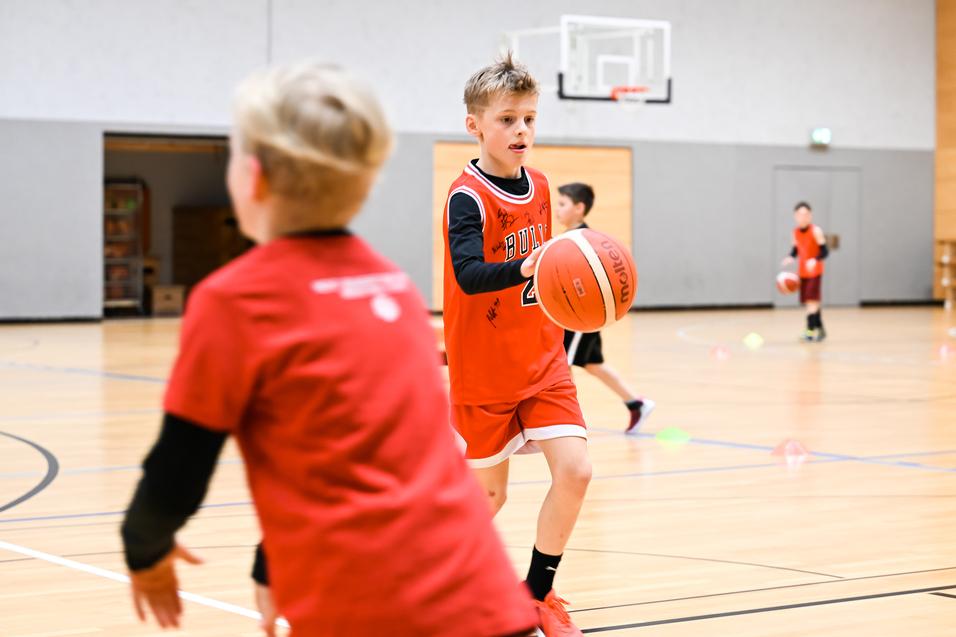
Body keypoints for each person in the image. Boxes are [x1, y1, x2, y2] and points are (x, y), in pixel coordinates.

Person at [120, 61, 539, 637]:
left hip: (368, 606)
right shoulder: (390, 287)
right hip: (484, 594)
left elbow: (179, 469)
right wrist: (271, 563)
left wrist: (143, 549)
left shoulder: (233, 300)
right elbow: (371, 454)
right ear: (364, 185)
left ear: (253, 178)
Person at [442, 53, 591, 637]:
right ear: (475, 125)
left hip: (543, 360)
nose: (521, 131)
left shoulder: (543, 185)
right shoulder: (467, 197)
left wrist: (576, 289)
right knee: (489, 497)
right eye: (507, 120)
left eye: (529, 118)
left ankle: (538, 594)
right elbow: (468, 273)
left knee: (576, 471)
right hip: (484, 370)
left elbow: (547, 277)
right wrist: (528, 265)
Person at [553, 182, 655, 433]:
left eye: (563, 204)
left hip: (580, 315)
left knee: (562, 364)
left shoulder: (585, 241)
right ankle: (636, 403)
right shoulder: (566, 239)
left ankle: (565, 423)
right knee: (592, 364)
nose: (557, 209)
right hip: (582, 314)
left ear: (580, 208)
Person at [781, 201, 829, 341]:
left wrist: (815, 259)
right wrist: (790, 257)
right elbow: (795, 249)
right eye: (800, 214)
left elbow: (825, 251)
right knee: (811, 303)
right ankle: (820, 329)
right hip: (802, 272)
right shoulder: (795, 232)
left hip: (815, 271)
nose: (803, 217)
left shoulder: (816, 231)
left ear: (810, 215)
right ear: (795, 216)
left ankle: (809, 331)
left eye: (806, 214)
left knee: (811, 302)